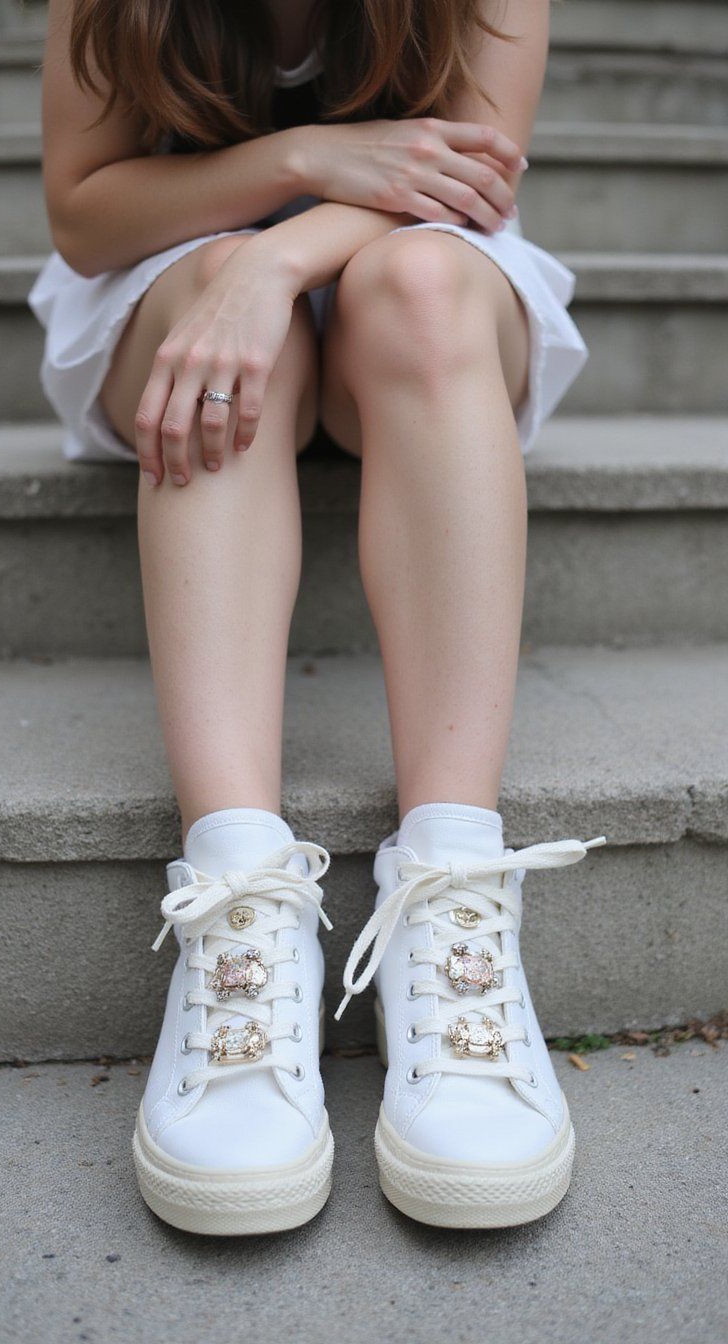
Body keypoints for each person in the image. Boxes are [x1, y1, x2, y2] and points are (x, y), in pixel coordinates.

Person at [29, 0, 603, 1235]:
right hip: (180, 291)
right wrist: (295, 168)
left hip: (423, 274)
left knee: (425, 286)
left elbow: (469, 184)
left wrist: (284, 252)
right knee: (230, 313)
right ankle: (237, 894)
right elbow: (83, 219)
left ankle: (452, 886)